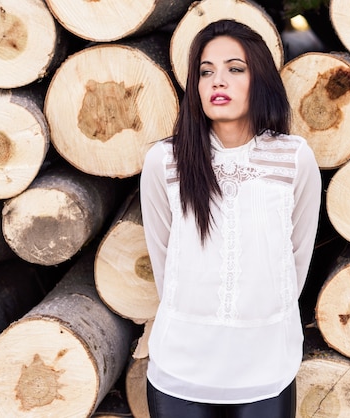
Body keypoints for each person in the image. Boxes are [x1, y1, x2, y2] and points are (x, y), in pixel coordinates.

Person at [139, 19, 321, 418]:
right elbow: (164, 260)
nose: (217, 81)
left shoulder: (293, 158)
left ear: (260, 80)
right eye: (206, 72)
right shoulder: (165, 162)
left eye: (235, 69)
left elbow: (296, 259)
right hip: (181, 367)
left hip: (266, 367)